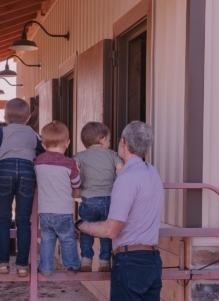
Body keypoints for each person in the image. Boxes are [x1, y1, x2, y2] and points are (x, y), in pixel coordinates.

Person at [75, 121, 163, 300]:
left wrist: (81, 225)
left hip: (131, 260)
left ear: (123, 141)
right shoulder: (153, 173)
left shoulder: (127, 179)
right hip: (153, 259)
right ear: (147, 148)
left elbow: (111, 230)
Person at [0, 98, 45, 277]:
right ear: (27, 118)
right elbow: (43, 150)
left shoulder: (2, 131)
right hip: (27, 172)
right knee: (23, 221)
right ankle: (22, 266)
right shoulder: (33, 133)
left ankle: (3, 263)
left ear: (5, 117)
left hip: (4, 171)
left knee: (3, 219)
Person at [72, 122, 124, 272]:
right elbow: (121, 169)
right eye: (108, 140)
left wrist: (76, 189)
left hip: (88, 199)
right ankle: (104, 261)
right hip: (109, 199)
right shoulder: (112, 155)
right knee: (105, 231)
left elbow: (73, 169)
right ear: (102, 139)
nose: (109, 143)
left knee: (87, 229)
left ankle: (86, 260)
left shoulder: (80, 156)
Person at [34, 121, 81, 274]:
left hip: (45, 210)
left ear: (43, 143)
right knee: (67, 239)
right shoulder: (69, 163)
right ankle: (71, 265)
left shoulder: (38, 161)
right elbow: (76, 182)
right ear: (67, 143)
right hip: (63, 210)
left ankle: (46, 267)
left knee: (47, 240)